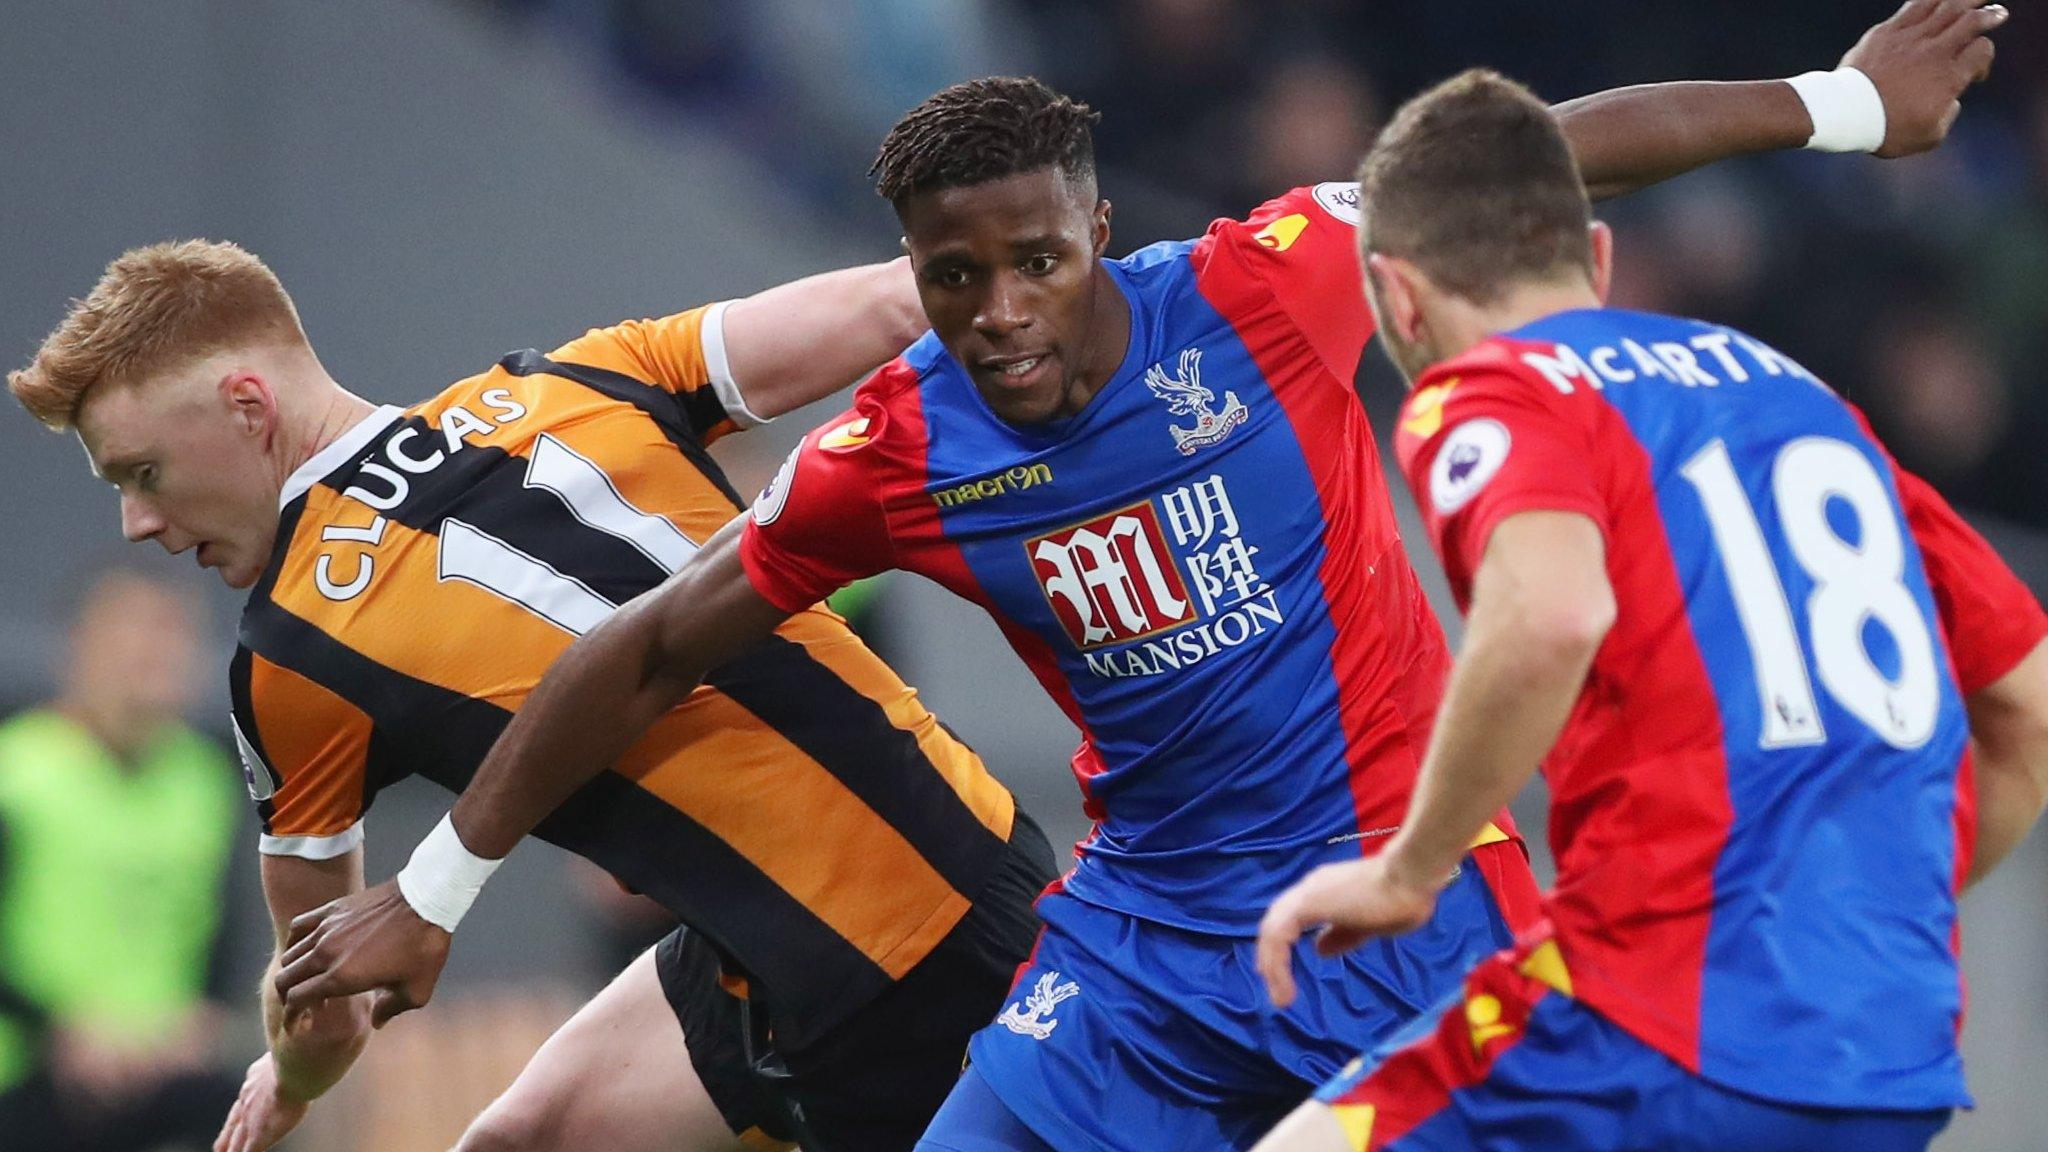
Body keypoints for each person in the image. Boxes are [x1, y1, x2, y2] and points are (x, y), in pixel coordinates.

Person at [272, 7, 2008, 1149]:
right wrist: (435, 885)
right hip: (1140, 949)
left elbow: (1540, 149)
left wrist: (1850, 102)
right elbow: (647, 644)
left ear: (1096, 229)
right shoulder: (900, 447)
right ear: (917, 274)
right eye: (957, 278)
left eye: (1035, 259)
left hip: (1401, 913)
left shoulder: (1266, 284)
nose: (1002, 310)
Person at [5, 242, 1060, 1152]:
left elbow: (328, 996)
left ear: (246, 405)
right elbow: (897, 297)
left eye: (141, 473)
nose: (139, 524)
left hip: (893, 980)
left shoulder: (290, 656)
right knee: (526, 1136)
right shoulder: (577, 376)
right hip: (940, 865)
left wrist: (290, 1077)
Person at [1252, 63, 2048, 1152]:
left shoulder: (1489, 388)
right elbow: (2025, 705)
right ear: (1597, 258)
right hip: (1885, 1060)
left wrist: (1408, 870)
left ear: (1393, 297)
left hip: (1646, 1025)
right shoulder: (1795, 395)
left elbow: (1546, 616)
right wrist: (1844, 919)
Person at [0, 565, 244, 1152]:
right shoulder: (17, 770)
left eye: (170, 638)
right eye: (132, 636)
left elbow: (215, 930)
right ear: (80, 646)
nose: (151, 657)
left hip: (162, 1074)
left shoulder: (204, 779)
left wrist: (203, 1019)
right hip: (28, 1072)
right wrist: (62, 1034)